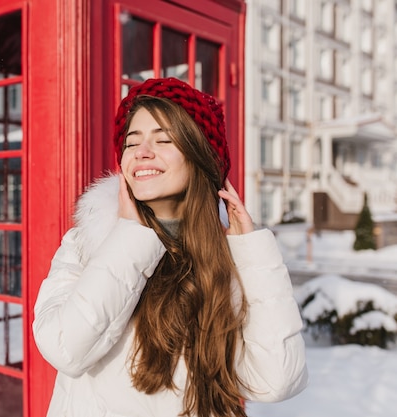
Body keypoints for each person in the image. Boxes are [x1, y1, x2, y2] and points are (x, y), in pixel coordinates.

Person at [32, 77, 308, 417]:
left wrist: (253, 250)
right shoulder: (87, 243)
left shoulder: (230, 260)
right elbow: (64, 348)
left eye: (164, 139)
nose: (142, 152)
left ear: (198, 158)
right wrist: (131, 235)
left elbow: (277, 380)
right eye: (132, 144)